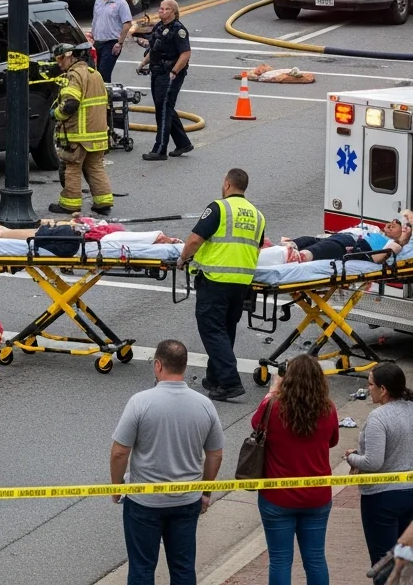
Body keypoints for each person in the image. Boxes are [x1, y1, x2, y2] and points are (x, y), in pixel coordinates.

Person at [110, 339, 224, 585]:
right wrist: (205, 491)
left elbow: (120, 452)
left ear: (159, 365)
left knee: (141, 568)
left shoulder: (140, 402)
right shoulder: (205, 405)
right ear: (184, 367)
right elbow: (216, 454)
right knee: (183, 568)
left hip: (144, 501)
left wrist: (116, 486)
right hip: (186, 500)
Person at [177, 168, 265, 402]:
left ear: (227, 184)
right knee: (226, 330)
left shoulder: (219, 207)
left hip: (215, 280)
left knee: (212, 330)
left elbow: (195, 239)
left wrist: (183, 258)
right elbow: (256, 248)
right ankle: (215, 377)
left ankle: (229, 382)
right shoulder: (257, 215)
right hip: (241, 283)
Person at [253, 354, 338, 585]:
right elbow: (332, 441)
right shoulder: (328, 409)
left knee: (280, 560)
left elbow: (256, 425)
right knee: (316, 558)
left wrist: (272, 391)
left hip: (277, 496)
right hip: (317, 495)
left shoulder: (274, 406)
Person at [345, 362, 413, 565]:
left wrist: (351, 457)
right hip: (409, 492)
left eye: (371, 385)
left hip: (381, 498)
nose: (368, 389)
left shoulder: (378, 417)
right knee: (404, 560)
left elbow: (373, 462)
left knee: (382, 561)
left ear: (383, 390)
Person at [48, 41, 114, 216]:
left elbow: (70, 104)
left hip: (79, 133)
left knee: (72, 166)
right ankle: (103, 202)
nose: (58, 63)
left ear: (69, 57)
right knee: (95, 167)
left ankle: (70, 203)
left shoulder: (75, 75)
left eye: (60, 59)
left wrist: (56, 114)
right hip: (98, 133)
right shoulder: (95, 74)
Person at [139, 0, 193, 160]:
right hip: (156, 72)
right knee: (164, 107)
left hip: (170, 73)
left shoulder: (179, 30)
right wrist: (142, 64)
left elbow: (185, 54)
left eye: (165, 9)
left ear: (173, 12)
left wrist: (175, 71)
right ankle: (183, 143)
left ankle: (160, 149)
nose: (161, 11)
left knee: (163, 109)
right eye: (160, 8)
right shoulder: (158, 27)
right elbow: (153, 50)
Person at [286, 214, 412, 263]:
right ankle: (283, 248)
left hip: (351, 244)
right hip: (339, 237)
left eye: (397, 225)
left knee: (328, 247)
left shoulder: (391, 244)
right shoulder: (373, 228)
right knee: (308, 240)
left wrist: (402, 241)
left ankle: (300, 256)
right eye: (392, 221)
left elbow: (379, 258)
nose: (392, 223)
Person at [92, 0, 133, 83]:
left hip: (111, 43)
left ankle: (107, 99)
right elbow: (95, 21)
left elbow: (127, 24)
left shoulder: (120, 2)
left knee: (104, 73)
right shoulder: (98, 2)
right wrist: (92, 37)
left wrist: (119, 43)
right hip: (98, 42)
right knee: (96, 74)